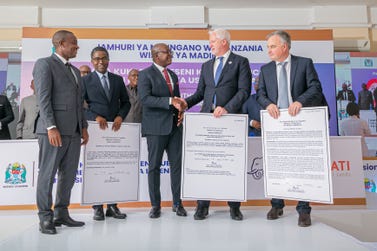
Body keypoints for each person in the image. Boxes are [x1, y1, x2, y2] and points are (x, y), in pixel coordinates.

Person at [177, 28, 251, 221]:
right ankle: (202, 206)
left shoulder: (241, 62)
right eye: (210, 42)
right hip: (207, 120)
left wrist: (226, 108)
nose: (210, 45)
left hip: (230, 119)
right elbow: (201, 92)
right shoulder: (206, 65)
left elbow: (244, 91)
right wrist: (186, 103)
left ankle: (234, 207)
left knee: (231, 163)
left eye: (212, 41)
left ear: (224, 42)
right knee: (205, 163)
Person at [257, 30, 324, 227]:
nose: (268, 50)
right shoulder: (265, 69)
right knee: (277, 165)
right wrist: (268, 103)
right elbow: (259, 94)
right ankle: (277, 205)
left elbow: (315, 88)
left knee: (300, 165)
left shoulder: (304, 63)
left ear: (284, 47)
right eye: (268, 46)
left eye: (272, 46)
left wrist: (300, 101)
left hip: (299, 121)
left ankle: (303, 210)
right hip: (276, 123)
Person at [32, 30, 89, 235]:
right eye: (74, 43)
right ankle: (45, 217)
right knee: (47, 175)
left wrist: (83, 127)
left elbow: (78, 103)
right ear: (61, 43)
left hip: (73, 132)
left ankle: (61, 213)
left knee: (69, 175)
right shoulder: (44, 64)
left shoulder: (74, 71)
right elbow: (44, 98)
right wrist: (50, 127)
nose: (77, 47)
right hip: (52, 131)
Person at [138, 43, 187, 219]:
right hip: (156, 129)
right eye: (167, 52)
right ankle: (155, 205)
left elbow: (177, 100)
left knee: (177, 167)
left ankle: (177, 203)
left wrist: (180, 109)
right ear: (156, 55)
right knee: (154, 167)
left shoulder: (172, 75)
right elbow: (145, 99)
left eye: (170, 52)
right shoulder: (145, 74)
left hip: (175, 128)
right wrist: (169, 101)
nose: (170, 55)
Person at [82, 46, 131, 221]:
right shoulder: (85, 81)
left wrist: (120, 116)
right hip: (96, 130)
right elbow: (80, 105)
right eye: (96, 59)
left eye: (103, 58)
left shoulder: (117, 80)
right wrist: (94, 116)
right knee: (98, 169)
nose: (100, 62)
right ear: (92, 61)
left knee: (114, 167)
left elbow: (126, 103)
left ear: (108, 59)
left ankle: (112, 206)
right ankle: (97, 207)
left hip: (115, 130)